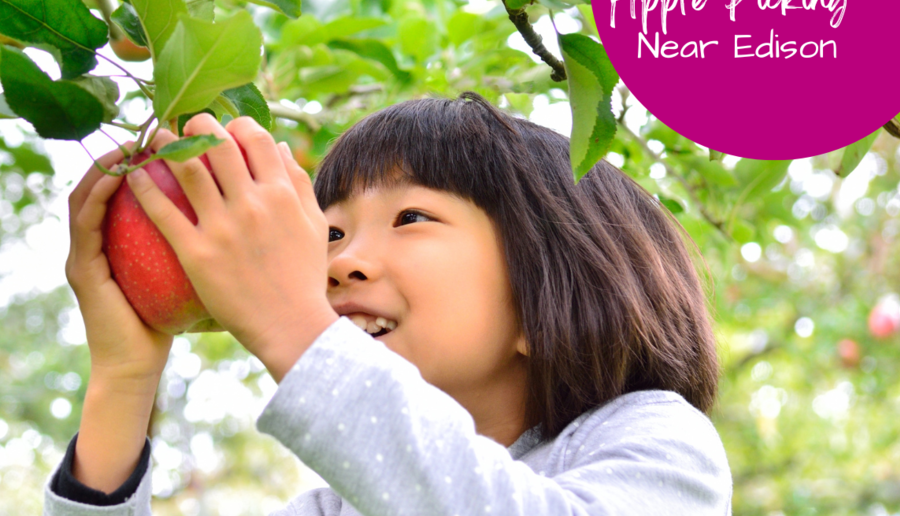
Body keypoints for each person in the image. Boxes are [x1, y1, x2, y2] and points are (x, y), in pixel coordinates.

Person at [43, 92, 733, 515]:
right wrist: (124, 379)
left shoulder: (652, 444)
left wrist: (296, 331)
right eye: (332, 233)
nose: (339, 262)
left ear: (550, 282)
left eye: (410, 218)